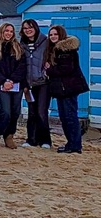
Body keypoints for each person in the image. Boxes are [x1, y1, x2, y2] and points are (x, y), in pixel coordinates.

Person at [45, 25, 88, 154]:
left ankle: (75, 145)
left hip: (68, 88)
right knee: (65, 117)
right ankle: (72, 143)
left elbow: (66, 69)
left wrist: (49, 69)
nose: (53, 37)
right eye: (51, 34)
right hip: (62, 89)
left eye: (55, 34)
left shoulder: (65, 50)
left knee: (70, 117)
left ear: (61, 35)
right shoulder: (56, 49)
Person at [0, 23, 27, 149]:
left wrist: (13, 80)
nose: (9, 33)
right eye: (6, 31)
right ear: (1, 32)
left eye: (11, 31)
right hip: (2, 84)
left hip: (17, 84)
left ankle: (9, 135)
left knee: (15, 112)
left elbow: (22, 66)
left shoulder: (18, 48)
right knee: (6, 111)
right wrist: (4, 81)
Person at [20, 19, 51, 149]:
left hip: (43, 83)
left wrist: (47, 69)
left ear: (36, 28)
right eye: (25, 28)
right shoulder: (22, 44)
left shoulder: (45, 42)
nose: (28, 30)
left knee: (41, 112)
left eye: (30, 27)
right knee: (31, 112)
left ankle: (45, 140)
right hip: (28, 84)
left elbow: (52, 57)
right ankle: (31, 139)